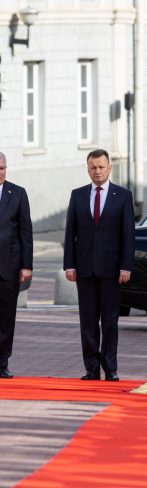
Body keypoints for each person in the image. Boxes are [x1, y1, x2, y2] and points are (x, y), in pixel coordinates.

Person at [63, 149, 135, 381]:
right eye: (93, 167)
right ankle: (91, 368)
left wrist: (126, 266)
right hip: (84, 268)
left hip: (113, 269)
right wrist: (69, 265)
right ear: (88, 169)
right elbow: (70, 233)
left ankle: (110, 367)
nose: (97, 171)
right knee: (88, 321)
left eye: (101, 167)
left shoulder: (123, 196)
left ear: (109, 168)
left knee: (110, 321)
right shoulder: (78, 195)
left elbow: (128, 235)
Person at [0, 153, 33, 378]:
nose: (0, 172)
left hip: (8, 267)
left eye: (2, 168)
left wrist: (26, 265)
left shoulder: (17, 193)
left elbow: (25, 232)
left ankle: (2, 362)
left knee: (5, 317)